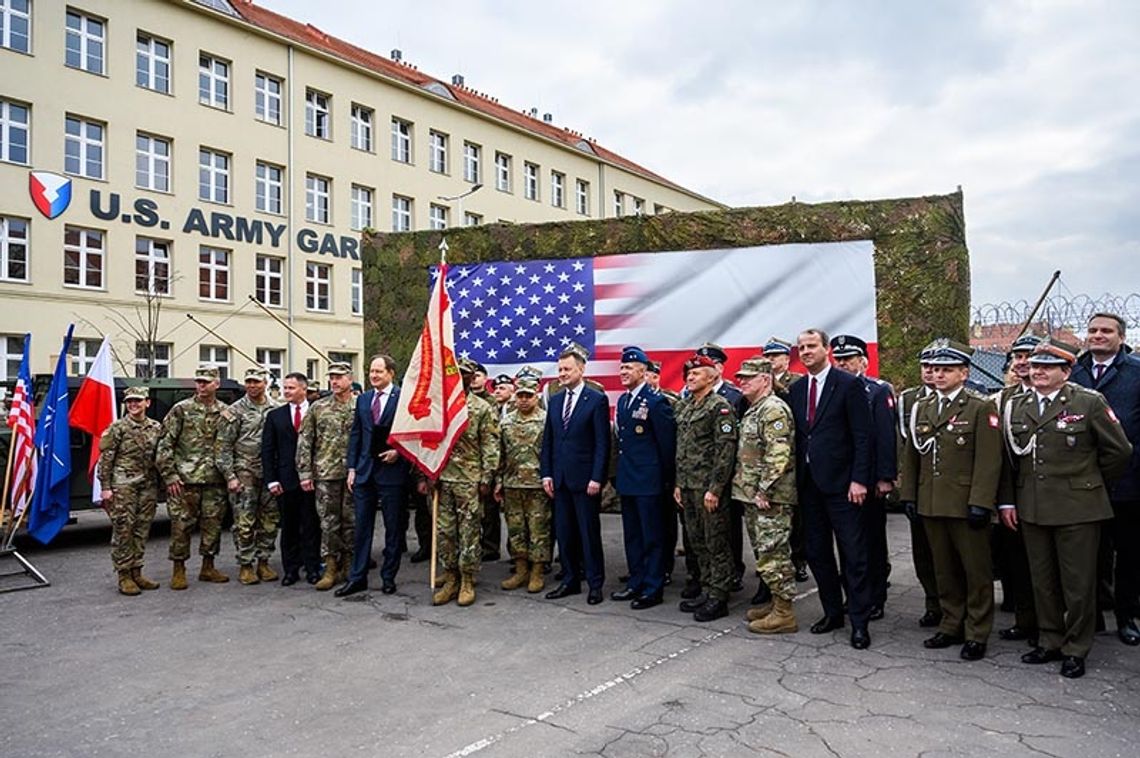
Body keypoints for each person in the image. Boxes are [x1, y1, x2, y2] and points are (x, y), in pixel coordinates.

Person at [999, 337, 1132, 678]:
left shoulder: (1088, 402)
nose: (1037, 371)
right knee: (1042, 581)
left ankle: (1076, 648)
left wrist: (1090, 482)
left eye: (1046, 367)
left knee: (1077, 583)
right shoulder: (1019, 403)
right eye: (1035, 365)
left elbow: (1119, 451)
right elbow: (1011, 460)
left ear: (1066, 370)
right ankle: (1050, 640)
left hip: (1078, 508)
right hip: (1033, 507)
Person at [899, 340, 1002, 661]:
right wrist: (910, 496)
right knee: (943, 570)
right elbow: (912, 455)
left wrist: (981, 502)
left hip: (965, 503)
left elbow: (989, 461)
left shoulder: (980, 406)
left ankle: (977, 632)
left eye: (947, 370)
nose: (939, 375)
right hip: (932, 502)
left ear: (964, 372)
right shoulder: (924, 407)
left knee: (975, 572)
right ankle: (950, 623)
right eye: (936, 369)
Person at [787, 329, 873, 649]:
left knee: (853, 554)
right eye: (801, 348)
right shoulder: (796, 390)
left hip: (843, 485)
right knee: (818, 553)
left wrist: (860, 479)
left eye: (812, 346)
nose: (806, 352)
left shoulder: (848, 384)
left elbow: (863, 436)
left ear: (827, 350)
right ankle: (832, 612)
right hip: (809, 486)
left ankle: (860, 622)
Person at [1070, 312, 1140, 645]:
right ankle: (1092, 616)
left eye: (1106, 331)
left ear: (1121, 337)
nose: (1098, 335)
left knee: (1128, 555)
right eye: (1093, 330)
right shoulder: (1072, 373)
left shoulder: (1136, 373)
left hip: (1128, 483)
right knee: (1088, 556)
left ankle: (1126, 617)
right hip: (1081, 484)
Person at [831, 334, 897, 620]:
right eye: (840, 359)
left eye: (850, 359)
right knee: (849, 542)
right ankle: (855, 594)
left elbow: (885, 437)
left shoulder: (878, 391)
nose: (844, 364)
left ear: (864, 362)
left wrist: (885, 477)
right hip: (842, 479)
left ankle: (876, 595)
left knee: (871, 539)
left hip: (869, 479)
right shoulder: (832, 390)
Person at [541, 342, 611, 605]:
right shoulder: (556, 400)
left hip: (585, 481)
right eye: (560, 369)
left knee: (588, 534)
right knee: (565, 533)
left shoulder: (596, 400)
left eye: (567, 369)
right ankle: (570, 580)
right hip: (559, 479)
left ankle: (594, 584)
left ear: (581, 370)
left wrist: (597, 477)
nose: (562, 373)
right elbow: (549, 440)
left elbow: (602, 443)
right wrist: (546, 473)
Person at [732, 358, 799, 634]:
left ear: (766, 380)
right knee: (763, 552)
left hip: (770, 498)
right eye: (741, 377)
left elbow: (778, 455)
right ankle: (775, 602)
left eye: (749, 377)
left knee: (774, 553)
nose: (742, 381)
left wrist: (764, 489)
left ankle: (785, 613)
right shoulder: (755, 409)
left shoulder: (773, 409)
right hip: (752, 495)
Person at [671, 354, 737, 621]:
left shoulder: (719, 407)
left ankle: (719, 597)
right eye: (688, 373)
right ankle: (707, 589)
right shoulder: (686, 407)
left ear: (712, 377)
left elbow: (725, 451)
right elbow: (682, 448)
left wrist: (716, 489)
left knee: (716, 542)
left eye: (696, 373)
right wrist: (678, 483)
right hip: (687, 485)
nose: (690, 377)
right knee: (697, 542)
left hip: (708, 489)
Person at [431, 357, 500, 607]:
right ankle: (451, 577)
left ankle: (468, 579)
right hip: (444, 478)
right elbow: (430, 442)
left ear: (471, 379)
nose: (457, 378)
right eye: (453, 373)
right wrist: (430, 472)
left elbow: (490, 446)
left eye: (462, 374)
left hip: (469, 480)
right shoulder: (440, 407)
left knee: (469, 531)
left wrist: (486, 478)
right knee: (445, 532)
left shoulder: (482, 408)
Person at [611, 346, 677, 610]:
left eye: (628, 368)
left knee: (652, 537)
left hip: (650, 481)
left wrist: (667, 481)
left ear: (643, 370)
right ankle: (635, 581)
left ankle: (653, 587)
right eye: (622, 368)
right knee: (633, 536)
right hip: (629, 479)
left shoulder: (655, 401)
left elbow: (666, 445)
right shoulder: (626, 401)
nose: (623, 372)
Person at [340, 354, 410, 597]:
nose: (374, 375)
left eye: (379, 371)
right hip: (365, 471)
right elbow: (356, 435)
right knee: (361, 527)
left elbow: (411, 433)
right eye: (371, 371)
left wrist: (398, 452)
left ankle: (388, 577)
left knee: (392, 528)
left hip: (392, 472)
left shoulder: (404, 397)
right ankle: (357, 577)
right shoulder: (364, 400)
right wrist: (352, 468)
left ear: (391, 373)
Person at [156, 366, 230, 589]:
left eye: (206, 382)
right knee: (181, 525)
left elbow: (229, 444)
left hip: (214, 480)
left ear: (217, 384)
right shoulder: (182, 409)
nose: (201, 385)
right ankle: (179, 569)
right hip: (185, 480)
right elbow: (165, 445)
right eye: (198, 381)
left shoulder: (225, 412)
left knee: (213, 525)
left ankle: (208, 566)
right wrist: (170, 476)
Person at [991, 333, 1041, 644]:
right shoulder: (1002, 400)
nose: (1023, 362)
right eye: (1018, 356)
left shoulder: (1074, 397)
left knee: (1053, 567)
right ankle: (1026, 621)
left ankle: (1054, 626)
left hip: (1057, 496)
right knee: (1019, 563)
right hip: (1014, 494)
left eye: (1030, 356)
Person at [216, 367, 280, 585]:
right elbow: (223, 447)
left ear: (266, 383)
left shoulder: (275, 408)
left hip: (269, 472)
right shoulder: (234, 411)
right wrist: (230, 476)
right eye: (249, 382)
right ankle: (245, 564)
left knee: (270, 520)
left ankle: (263, 561)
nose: (252, 386)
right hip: (244, 472)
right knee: (244, 521)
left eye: (256, 382)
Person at [296, 362, 356, 591]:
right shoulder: (318, 408)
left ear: (350, 379)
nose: (334, 381)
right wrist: (304, 472)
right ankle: (330, 567)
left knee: (351, 522)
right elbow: (305, 442)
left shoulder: (359, 406)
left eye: (339, 377)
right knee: (328, 523)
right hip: (325, 474)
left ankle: (350, 565)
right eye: (331, 377)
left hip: (352, 475)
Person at [97, 385, 162, 595]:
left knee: (142, 529)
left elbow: (161, 457)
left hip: (148, 485)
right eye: (129, 401)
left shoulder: (155, 427)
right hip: (123, 485)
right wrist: (105, 487)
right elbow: (106, 459)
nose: (133, 404)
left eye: (138, 401)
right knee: (124, 529)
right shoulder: (117, 428)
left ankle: (137, 571)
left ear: (147, 403)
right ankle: (123, 575)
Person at [897, 341, 943, 627]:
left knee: (951, 555)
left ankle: (956, 609)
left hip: (952, 490)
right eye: (926, 366)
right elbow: (906, 446)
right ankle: (932, 603)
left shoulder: (974, 400)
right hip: (921, 485)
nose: (930, 372)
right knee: (923, 553)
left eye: (937, 367)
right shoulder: (909, 399)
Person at [262, 372, 322, 586]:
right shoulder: (275, 416)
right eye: (285, 388)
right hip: (285, 481)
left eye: (291, 388)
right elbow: (268, 451)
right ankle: (291, 569)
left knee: (311, 525)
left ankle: (313, 568)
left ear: (303, 389)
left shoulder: (317, 412)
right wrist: (271, 479)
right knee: (289, 527)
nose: (286, 391)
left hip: (311, 479)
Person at [495, 377, 551, 593]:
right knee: (516, 529)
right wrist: (498, 481)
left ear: (536, 396)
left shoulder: (546, 421)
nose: (525, 400)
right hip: (512, 484)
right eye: (521, 396)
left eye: (529, 395)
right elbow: (500, 454)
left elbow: (552, 452)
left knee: (539, 529)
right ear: (515, 397)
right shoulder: (506, 422)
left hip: (537, 485)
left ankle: (537, 571)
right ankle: (521, 570)